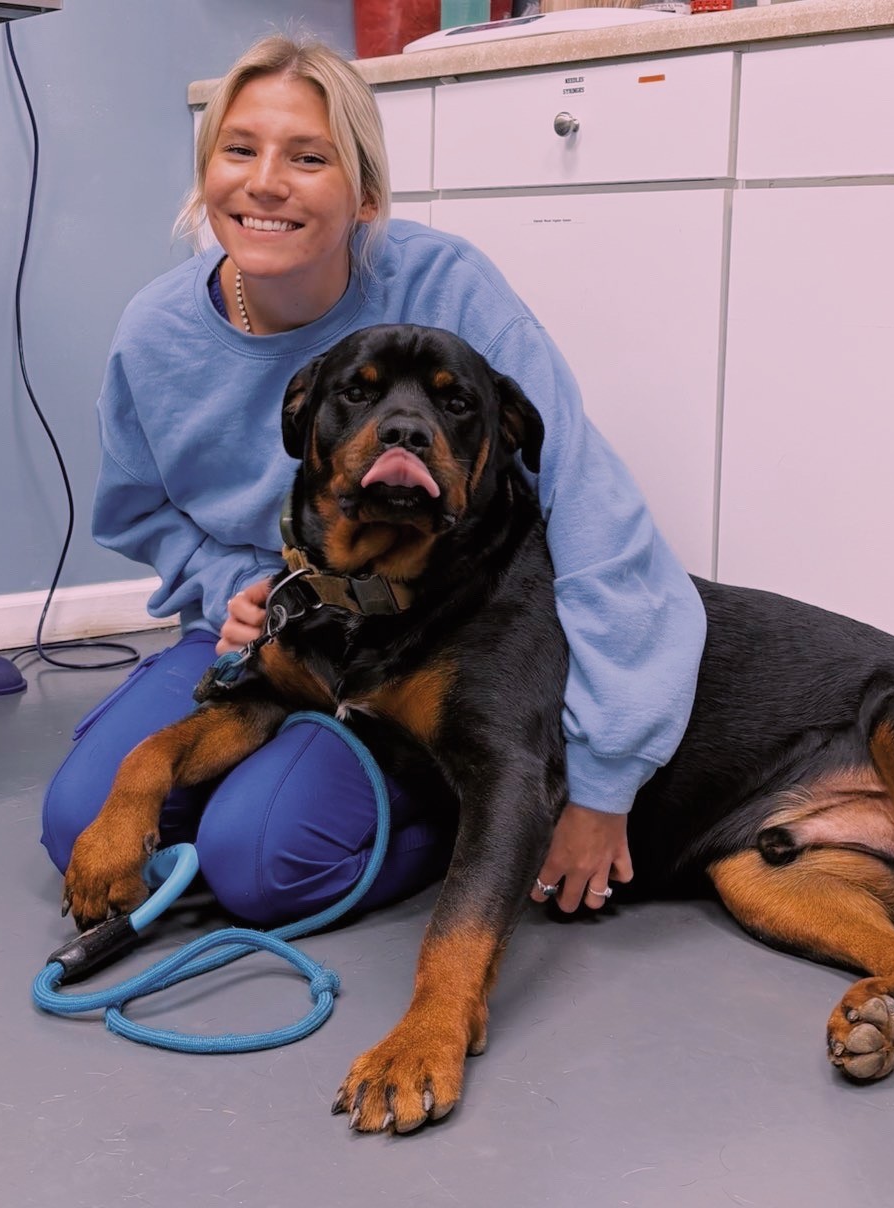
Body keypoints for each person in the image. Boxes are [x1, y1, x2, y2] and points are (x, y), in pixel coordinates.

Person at [41, 32, 706, 926]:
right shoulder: (155, 332)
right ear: (207, 176)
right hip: (266, 627)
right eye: (239, 150)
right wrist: (228, 585)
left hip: (420, 626)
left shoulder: (449, 287)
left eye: (308, 157)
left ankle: (476, 825)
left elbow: (588, 505)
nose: (266, 182)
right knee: (78, 824)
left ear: (367, 195)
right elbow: (140, 508)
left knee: (266, 867)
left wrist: (604, 772)